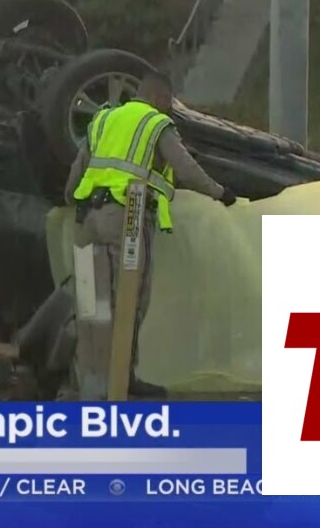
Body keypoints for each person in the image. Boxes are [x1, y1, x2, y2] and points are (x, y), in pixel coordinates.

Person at [65, 70, 236, 398]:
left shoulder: (104, 119)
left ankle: (92, 384)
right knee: (129, 298)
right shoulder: (155, 124)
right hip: (125, 218)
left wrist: (71, 198)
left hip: (87, 221)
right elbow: (186, 168)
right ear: (160, 97)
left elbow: (78, 169)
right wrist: (219, 192)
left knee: (90, 302)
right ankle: (121, 380)